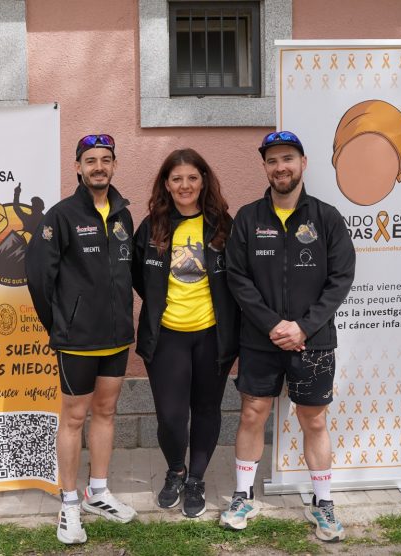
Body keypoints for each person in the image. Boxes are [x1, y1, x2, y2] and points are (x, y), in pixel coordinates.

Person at [219, 131, 355, 542]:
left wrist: (304, 326)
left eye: (288, 159)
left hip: (313, 341)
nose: (281, 167)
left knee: (314, 419)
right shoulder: (248, 218)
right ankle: (243, 496)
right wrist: (272, 325)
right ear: (265, 167)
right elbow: (237, 277)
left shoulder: (327, 217)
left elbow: (341, 278)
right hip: (260, 340)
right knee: (252, 414)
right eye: (273, 160)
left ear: (303, 163)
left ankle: (323, 503)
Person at [25, 134, 136, 545]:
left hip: (116, 338)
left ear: (114, 165)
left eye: (106, 159)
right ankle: (69, 503)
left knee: (106, 412)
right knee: (73, 419)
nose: (99, 167)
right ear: (78, 167)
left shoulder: (123, 215)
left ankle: (98, 492)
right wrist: (59, 324)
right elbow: (38, 276)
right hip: (77, 340)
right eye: (91, 160)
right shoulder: (61, 216)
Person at [132, 149, 240, 518]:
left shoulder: (222, 225)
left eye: (192, 178)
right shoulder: (152, 227)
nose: (185, 185)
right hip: (167, 336)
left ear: (203, 181)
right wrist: (161, 303)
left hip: (212, 335)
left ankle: (196, 479)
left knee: (207, 409)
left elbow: (237, 277)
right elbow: (139, 276)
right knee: (170, 416)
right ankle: (175, 470)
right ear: (166, 184)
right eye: (177, 179)